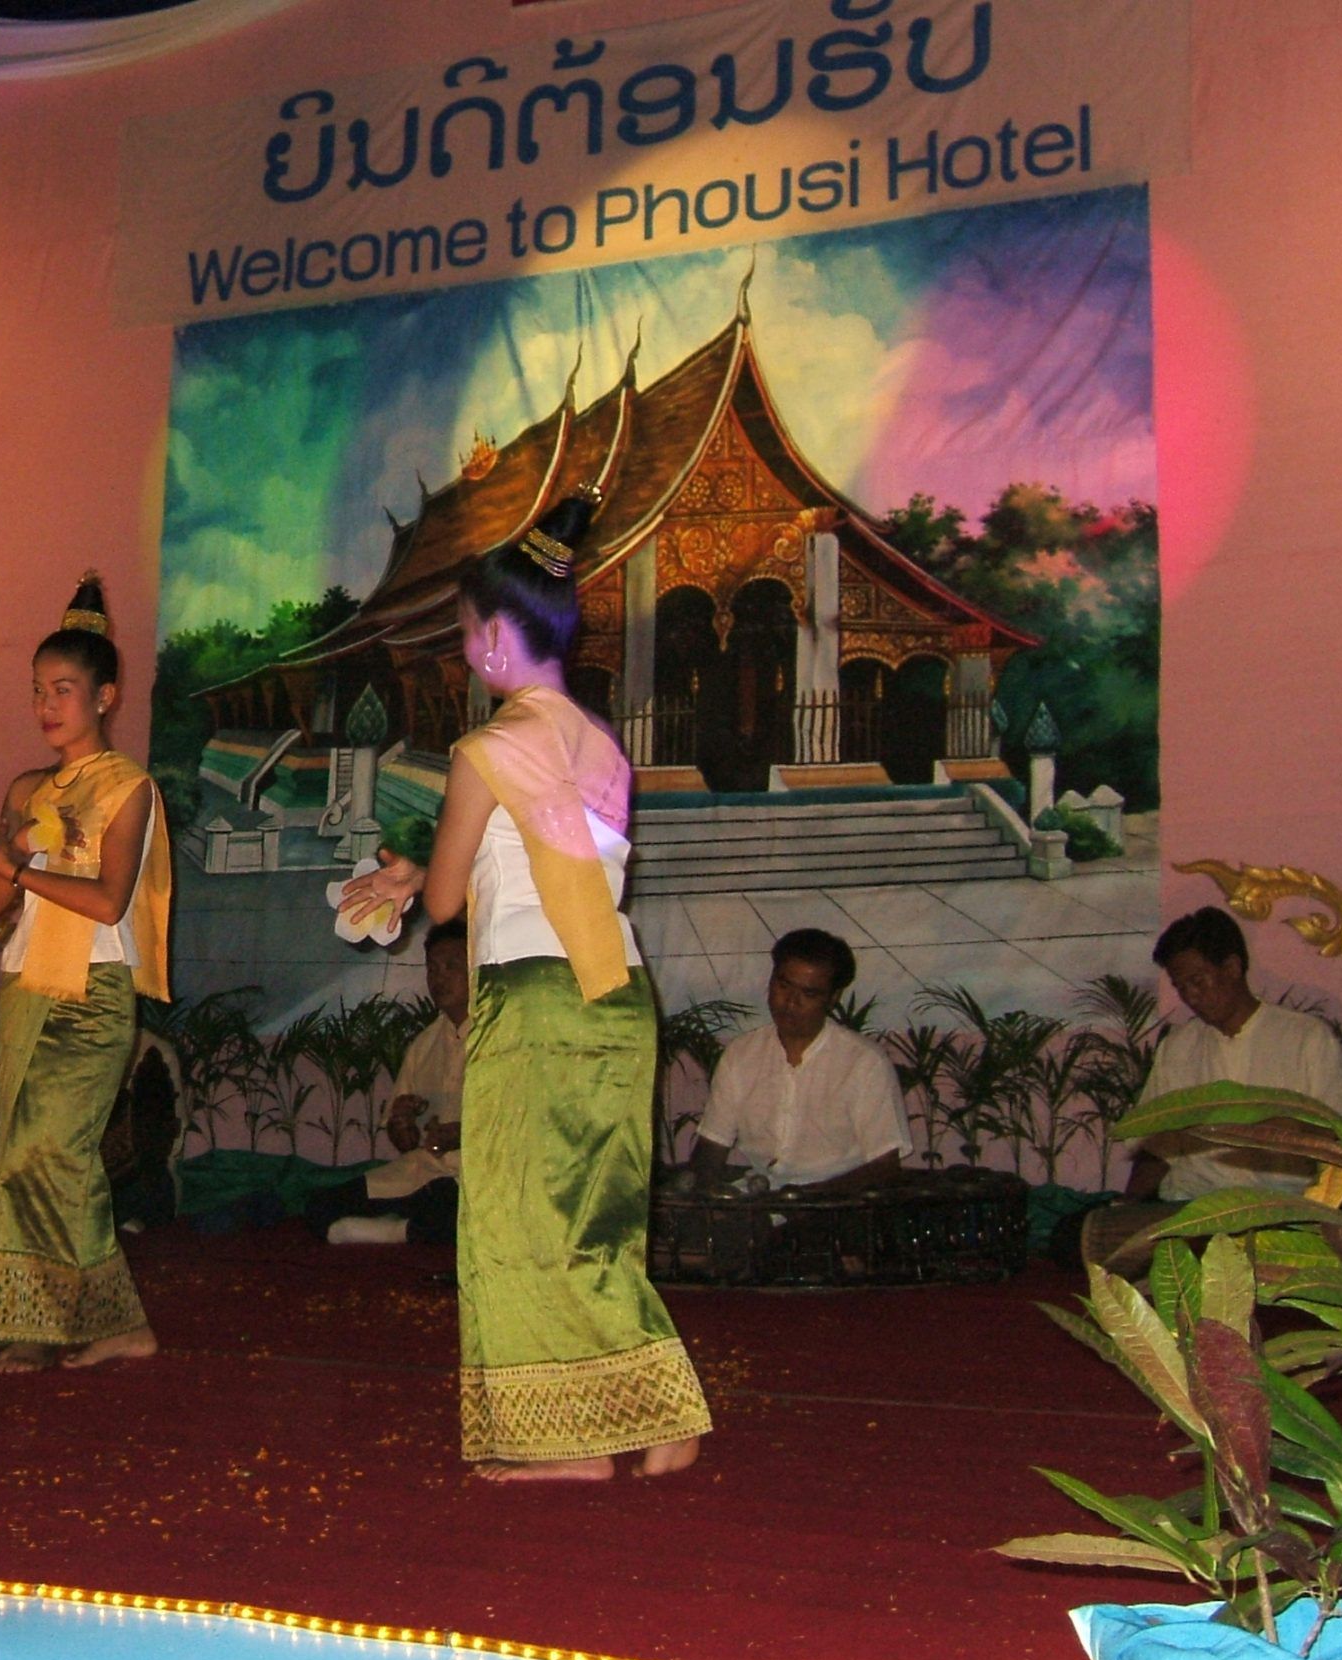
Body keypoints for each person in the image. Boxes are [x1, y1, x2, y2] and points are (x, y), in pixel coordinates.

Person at [343, 490, 711, 1483]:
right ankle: (659, 1417)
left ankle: (572, 1442)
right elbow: (554, 856)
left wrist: (417, 872)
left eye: (469, 633)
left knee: (510, 1214)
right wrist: (420, 868)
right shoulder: (599, 745)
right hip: (616, 989)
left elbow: (458, 898)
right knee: (595, 1213)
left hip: (534, 997)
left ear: (503, 634)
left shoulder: (485, 748)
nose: (466, 651)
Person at [0, 572, 172, 1374]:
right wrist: (2, 861)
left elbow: (110, 899)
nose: (47, 706)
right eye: (36, 692)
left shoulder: (129, 789)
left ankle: (113, 1319)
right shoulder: (26, 788)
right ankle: (37, 1322)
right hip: (26, 987)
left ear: (106, 696)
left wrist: (22, 872)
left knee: (53, 1150)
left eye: (63, 689)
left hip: (92, 994)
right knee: (19, 1159)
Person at [1082, 906, 1342, 1271]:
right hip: (1192, 1210)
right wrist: (1129, 1206)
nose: (1190, 996)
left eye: (1198, 981)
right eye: (1181, 987)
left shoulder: (1306, 1039)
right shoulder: (1179, 1047)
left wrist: (1288, 1133)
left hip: (1280, 1213)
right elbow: (1156, 1145)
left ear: (1233, 968)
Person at [689, 928, 910, 1194]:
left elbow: (885, 1166)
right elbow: (712, 1144)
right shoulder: (741, 1055)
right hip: (761, 1198)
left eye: (809, 994)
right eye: (783, 986)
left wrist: (810, 1199)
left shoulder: (864, 1063)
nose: (790, 1002)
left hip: (838, 1206)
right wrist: (701, 1194)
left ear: (833, 998)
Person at [309, 920, 470, 1247]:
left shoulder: (501, 1040)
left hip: (475, 1179)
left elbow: (519, 1126)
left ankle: (395, 1230)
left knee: (473, 1217)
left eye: (452, 966)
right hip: (422, 1172)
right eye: (432, 969)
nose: (438, 978)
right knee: (318, 1207)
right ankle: (408, 1227)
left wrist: (461, 1134)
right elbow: (405, 1143)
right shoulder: (424, 1046)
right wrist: (402, 1124)